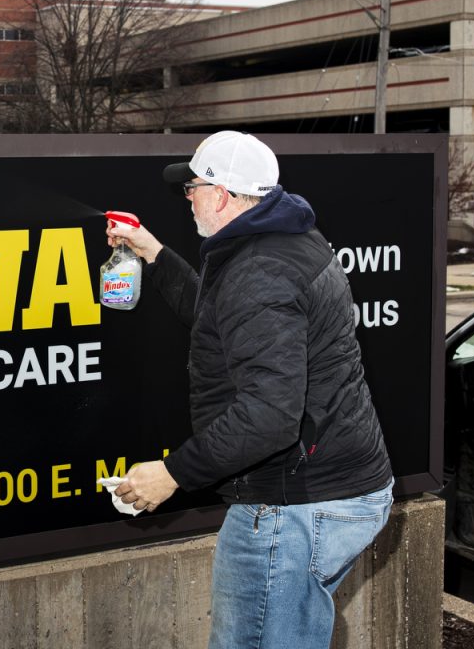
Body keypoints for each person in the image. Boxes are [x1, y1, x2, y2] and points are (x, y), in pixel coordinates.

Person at [106, 131, 393, 649]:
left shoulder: (259, 270)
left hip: (294, 507)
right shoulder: (280, 241)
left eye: (192, 187)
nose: (187, 197)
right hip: (330, 490)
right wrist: (156, 255)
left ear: (220, 195)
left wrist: (173, 473)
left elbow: (269, 415)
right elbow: (222, 320)